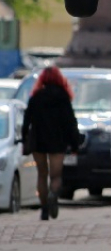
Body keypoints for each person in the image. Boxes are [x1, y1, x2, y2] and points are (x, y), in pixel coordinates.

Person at [22, 67, 80, 221]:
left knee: (42, 174)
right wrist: (74, 144)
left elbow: (26, 121)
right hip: (57, 141)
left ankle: (44, 209)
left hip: (38, 141)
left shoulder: (36, 97)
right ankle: (53, 194)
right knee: (56, 176)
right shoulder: (63, 97)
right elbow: (70, 122)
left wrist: (23, 139)